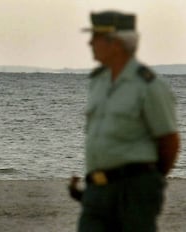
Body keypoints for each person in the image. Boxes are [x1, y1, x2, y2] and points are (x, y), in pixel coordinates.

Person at [70, 10, 181, 232]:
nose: (90, 42)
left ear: (116, 43)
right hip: (97, 190)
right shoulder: (98, 82)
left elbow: (169, 140)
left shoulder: (148, 85)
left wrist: (148, 182)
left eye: (97, 37)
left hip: (134, 191)